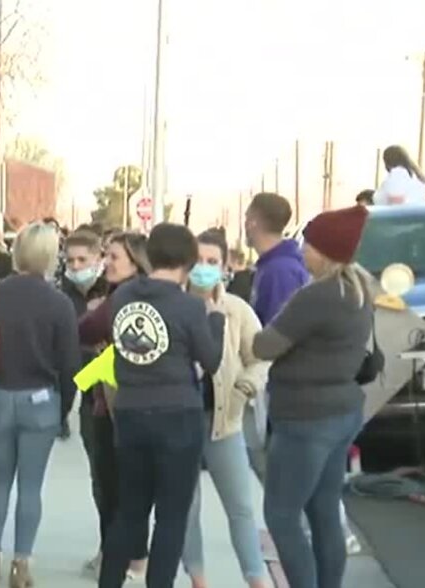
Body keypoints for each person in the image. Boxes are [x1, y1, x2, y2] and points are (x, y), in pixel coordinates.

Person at [99, 223, 224, 588]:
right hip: (177, 416)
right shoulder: (189, 307)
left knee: (130, 511)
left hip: (131, 412)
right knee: (171, 516)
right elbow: (211, 360)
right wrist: (215, 317)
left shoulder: (121, 299)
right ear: (187, 261)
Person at [252, 205, 371, 588]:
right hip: (342, 413)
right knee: (323, 512)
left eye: (309, 245)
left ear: (325, 251)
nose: (302, 250)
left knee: (282, 516)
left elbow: (265, 346)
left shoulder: (316, 296)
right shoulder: (358, 291)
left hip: (305, 419)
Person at [0, 223, 79, 587]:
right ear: (51, 256)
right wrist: (64, 409)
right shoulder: (60, 303)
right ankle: (21, 563)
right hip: (40, 400)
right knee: (31, 486)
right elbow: (70, 366)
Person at [180, 229, 270, 588]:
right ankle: (198, 579)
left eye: (212, 262)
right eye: (198, 261)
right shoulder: (175, 307)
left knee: (242, 509)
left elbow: (260, 357)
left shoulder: (237, 311)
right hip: (181, 426)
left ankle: (256, 579)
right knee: (187, 510)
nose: (204, 268)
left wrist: (247, 385)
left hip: (225, 424)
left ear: (225, 266)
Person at [76, 232, 150, 580]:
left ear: (136, 262)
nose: (107, 262)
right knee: (126, 482)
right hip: (127, 400)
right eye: (106, 255)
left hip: (114, 403)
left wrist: (93, 312)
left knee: (110, 483)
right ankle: (130, 554)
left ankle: (118, 557)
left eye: (115, 257)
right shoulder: (141, 293)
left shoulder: (123, 297)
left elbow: (88, 329)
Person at [56, 230, 107, 439]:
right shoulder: (61, 293)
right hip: (80, 379)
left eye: (82, 260)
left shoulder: (110, 289)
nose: (76, 266)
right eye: (70, 261)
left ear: (98, 258)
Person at [243, 192, 309, 326]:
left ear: (252, 222)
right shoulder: (272, 266)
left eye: (246, 218)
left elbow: (279, 331)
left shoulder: (280, 272)